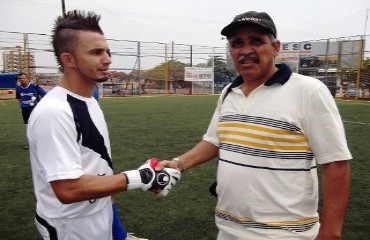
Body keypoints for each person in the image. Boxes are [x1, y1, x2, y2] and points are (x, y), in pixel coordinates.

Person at [156, 11, 351, 240]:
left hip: (285, 234)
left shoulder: (309, 90)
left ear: (275, 47)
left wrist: (330, 233)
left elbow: (336, 163)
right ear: (231, 51)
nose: (246, 50)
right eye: (237, 43)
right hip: (228, 229)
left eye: (256, 41)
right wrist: (178, 164)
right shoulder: (230, 92)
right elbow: (214, 140)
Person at [27, 10, 180, 240]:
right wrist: (140, 177)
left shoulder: (90, 100)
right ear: (68, 59)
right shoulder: (54, 112)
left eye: (107, 51)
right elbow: (68, 190)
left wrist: (117, 232)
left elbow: (99, 166)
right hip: (71, 226)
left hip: (99, 216)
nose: (107, 58)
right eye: (96, 52)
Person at [15, 72, 46, 149]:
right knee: (28, 127)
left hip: (35, 109)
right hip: (25, 110)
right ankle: (30, 144)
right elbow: (18, 97)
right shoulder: (18, 88)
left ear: (28, 79)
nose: (22, 80)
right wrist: (21, 104)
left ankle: (41, 143)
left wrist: (39, 104)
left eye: (24, 78)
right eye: (20, 78)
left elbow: (44, 95)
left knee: (37, 126)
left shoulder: (34, 86)